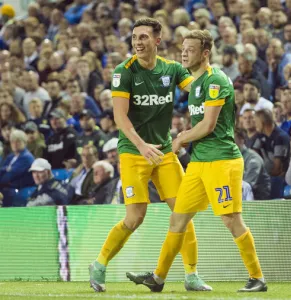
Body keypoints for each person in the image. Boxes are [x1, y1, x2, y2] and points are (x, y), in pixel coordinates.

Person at [128, 30, 267, 293]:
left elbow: (208, 124)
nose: (184, 53)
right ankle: (158, 278)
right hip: (199, 163)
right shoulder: (195, 83)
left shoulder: (216, 81)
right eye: (183, 48)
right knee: (177, 220)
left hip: (222, 162)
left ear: (205, 53)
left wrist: (180, 139)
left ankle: (257, 277)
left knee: (231, 219)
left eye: (190, 49)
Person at [89, 18, 210, 293]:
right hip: (134, 152)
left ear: (157, 40)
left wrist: (212, 83)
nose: (137, 43)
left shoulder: (172, 69)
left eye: (143, 37)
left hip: (164, 152)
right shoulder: (124, 71)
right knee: (135, 217)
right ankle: (99, 264)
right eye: (134, 38)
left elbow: (197, 89)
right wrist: (142, 145)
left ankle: (191, 275)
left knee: (183, 211)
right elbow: (119, 116)